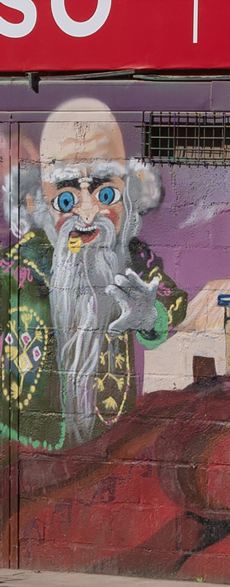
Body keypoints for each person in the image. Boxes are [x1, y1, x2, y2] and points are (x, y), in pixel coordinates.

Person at [1, 98, 187, 448]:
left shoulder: (133, 259)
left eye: (105, 193)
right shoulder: (14, 268)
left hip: (110, 445)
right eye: (67, 200)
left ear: (128, 196)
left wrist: (151, 316)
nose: (88, 213)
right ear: (36, 202)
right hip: (27, 451)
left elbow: (173, 302)